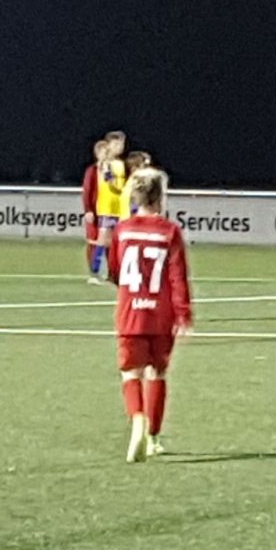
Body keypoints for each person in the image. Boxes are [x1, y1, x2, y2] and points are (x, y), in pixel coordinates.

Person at [107, 168, 192, 463]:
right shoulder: (169, 232)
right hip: (160, 316)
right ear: (160, 197)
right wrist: (183, 314)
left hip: (130, 313)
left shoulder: (123, 230)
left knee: (130, 372)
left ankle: (137, 419)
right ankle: (153, 438)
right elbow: (177, 276)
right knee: (157, 373)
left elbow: (115, 270)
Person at [89, 131, 128, 283]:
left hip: (120, 207)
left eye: (122, 144)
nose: (120, 147)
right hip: (107, 207)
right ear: (109, 145)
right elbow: (111, 182)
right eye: (117, 143)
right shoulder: (105, 164)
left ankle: (113, 273)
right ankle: (95, 272)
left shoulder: (120, 164)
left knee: (114, 241)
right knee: (102, 239)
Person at [81, 140, 106, 275]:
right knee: (93, 240)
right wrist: (88, 210)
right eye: (104, 152)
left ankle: (109, 271)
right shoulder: (92, 171)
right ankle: (93, 272)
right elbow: (87, 191)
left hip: (108, 212)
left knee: (108, 242)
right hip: (95, 212)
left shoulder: (112, 171)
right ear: (97, 154)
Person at [119, 151, 153, 221]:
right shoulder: (136, 184)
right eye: (145, 166)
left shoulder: (131, 182)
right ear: (134, 168)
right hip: (130, 219)